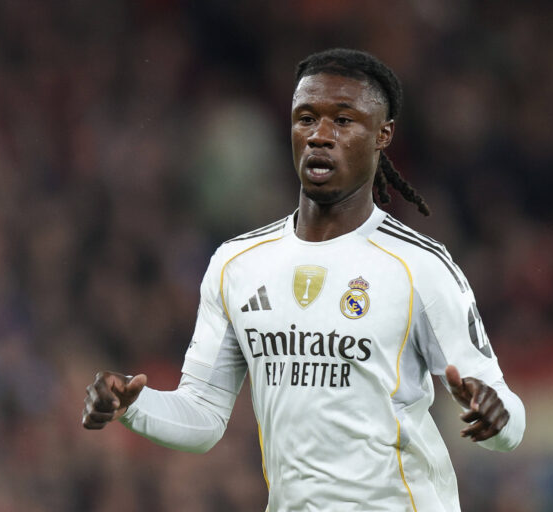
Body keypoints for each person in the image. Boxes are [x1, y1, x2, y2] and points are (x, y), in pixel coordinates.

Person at [83, 48, 525, 511]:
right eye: (306, 118)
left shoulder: (421, 267)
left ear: (383, 134)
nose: (319, 136)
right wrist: (131, 406)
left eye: (343, 120)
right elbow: (203, 416)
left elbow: (508, 417)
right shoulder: (237, 264)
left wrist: (498, 419)